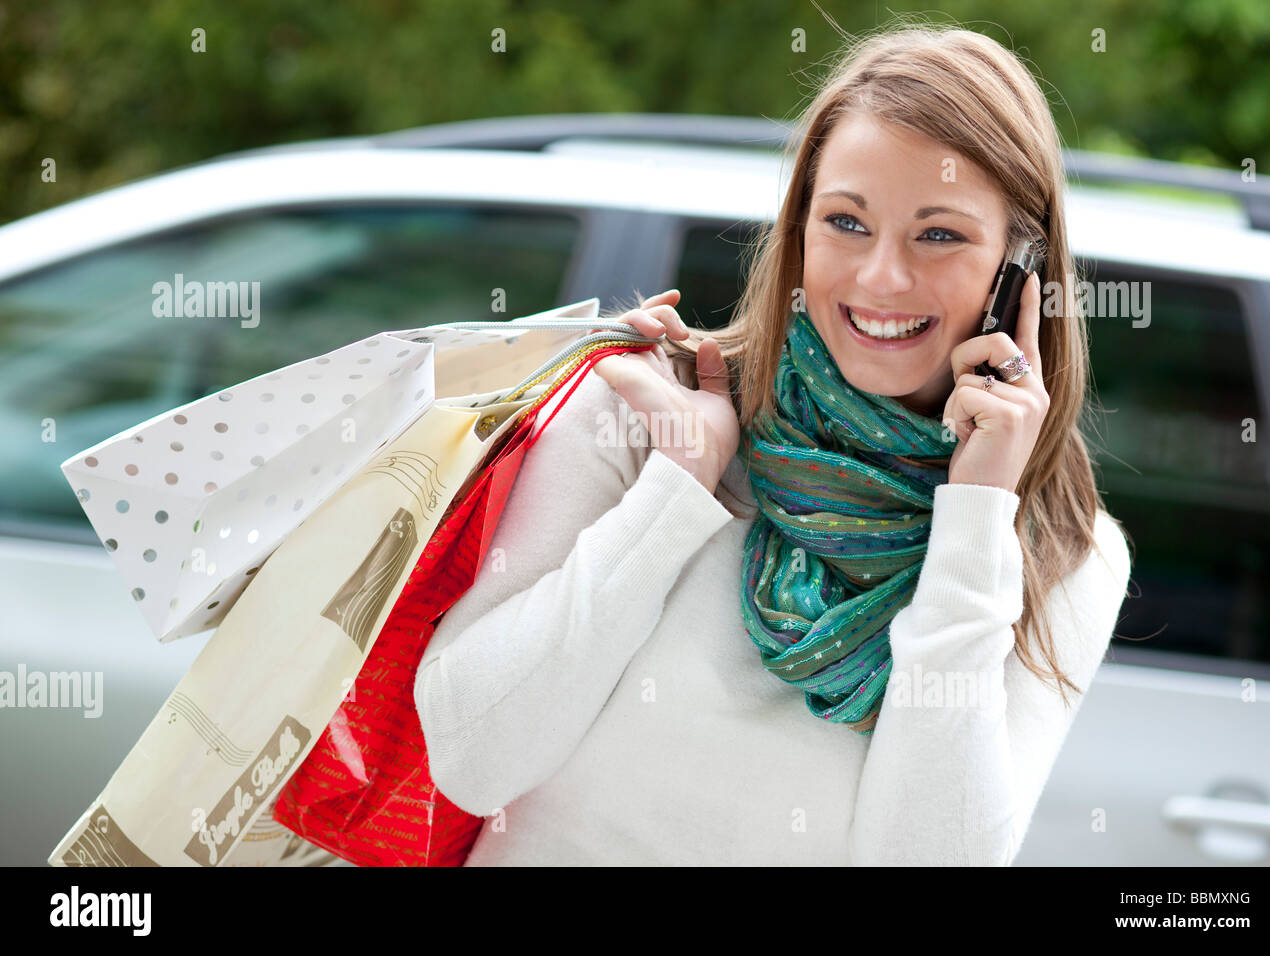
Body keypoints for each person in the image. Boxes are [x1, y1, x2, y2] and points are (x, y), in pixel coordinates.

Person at [414, 21, 1134, 866]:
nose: (881, 279)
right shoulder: (648, 408)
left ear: (1021, 271)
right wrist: (677, 490)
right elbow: (470, 760)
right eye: (847, 222)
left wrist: (975, 519)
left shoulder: (1061, 550)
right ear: (799, 227)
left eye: (939, 234)